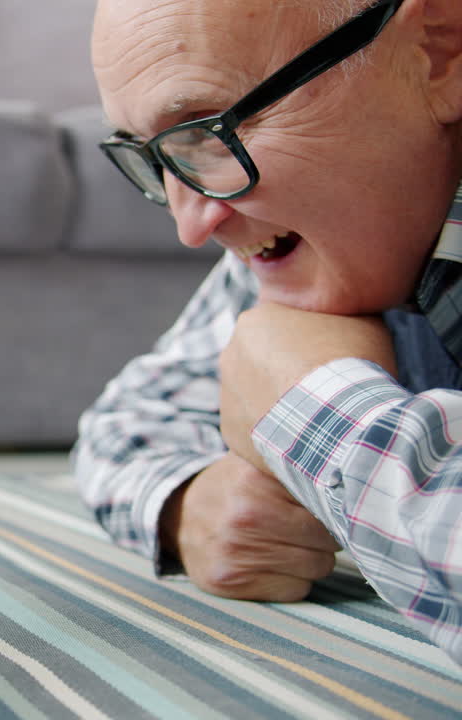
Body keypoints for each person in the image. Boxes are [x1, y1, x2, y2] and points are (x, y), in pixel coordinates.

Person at [72, 0, 462, 663]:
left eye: (209, 129)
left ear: (440, 49)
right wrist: (187, 502)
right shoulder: (323, 238)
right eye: (155, 155)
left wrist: (312, 403)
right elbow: (127, 421)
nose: (190, 227)